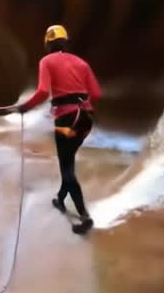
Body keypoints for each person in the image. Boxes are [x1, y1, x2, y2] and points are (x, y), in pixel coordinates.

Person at [11, 24, 102, 235]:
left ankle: (84, 216)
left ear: (48, 44)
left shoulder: (47, 61)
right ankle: (61, 199)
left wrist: (25, 106)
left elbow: (43, 91)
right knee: (67, 160)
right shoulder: (82, 63)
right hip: (85, 120)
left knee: (67, 168)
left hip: (66, 121)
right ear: (66, 42)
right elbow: (96, 93)